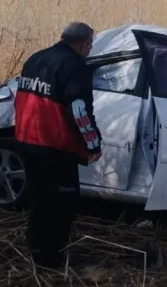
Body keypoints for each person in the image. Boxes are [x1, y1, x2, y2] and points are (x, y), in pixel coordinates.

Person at [13, 21, 102, 268]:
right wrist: (93, 145)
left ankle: (34, 246)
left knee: (41, 198)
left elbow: (20, 99)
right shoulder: (75, 66)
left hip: (26, 140)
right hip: (54, 148)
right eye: (90, 45)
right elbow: (79, 111)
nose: (89, 50)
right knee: (64, 203)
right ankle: (51, 259)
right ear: (84, 44)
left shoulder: (36, 58)